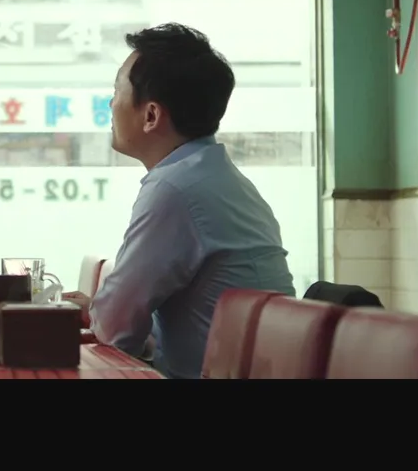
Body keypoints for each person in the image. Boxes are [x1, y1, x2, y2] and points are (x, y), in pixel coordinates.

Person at [62, 24, 295, 379]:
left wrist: (98, 314)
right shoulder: (217, 177)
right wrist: (99, 311)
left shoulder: (175, 188)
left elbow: (113, 331)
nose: (111, 104)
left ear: (151, 115)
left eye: (117, 91)